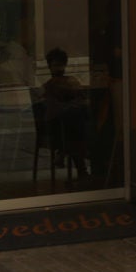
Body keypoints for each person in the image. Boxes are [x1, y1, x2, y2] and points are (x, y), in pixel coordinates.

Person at [42, 47, 89, 179]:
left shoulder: (70, 80)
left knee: (74, 124)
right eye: (56, 65)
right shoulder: (49, 85)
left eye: (61, 65)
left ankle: (63, 152)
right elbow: (52, 108)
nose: (59, 68)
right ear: (50, 66)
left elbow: (82, 98)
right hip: (57, 125)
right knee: (74, 123)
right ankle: (81, 169)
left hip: (67, 126)